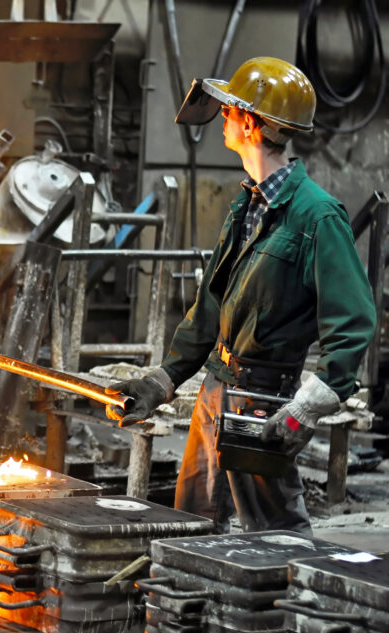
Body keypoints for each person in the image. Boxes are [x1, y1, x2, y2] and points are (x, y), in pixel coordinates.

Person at [106, 57, 375, 535]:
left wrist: (306, 407)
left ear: (250, 123)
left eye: (230, 110)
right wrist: (163, 379)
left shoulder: (316, 217)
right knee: (190, 527)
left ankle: (284, 610)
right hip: (216, 390)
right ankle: (190, 609)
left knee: (274, 535)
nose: (223, 119)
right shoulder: (249, 203)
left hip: (263, 401)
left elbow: (353, 321)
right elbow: (212, 305)